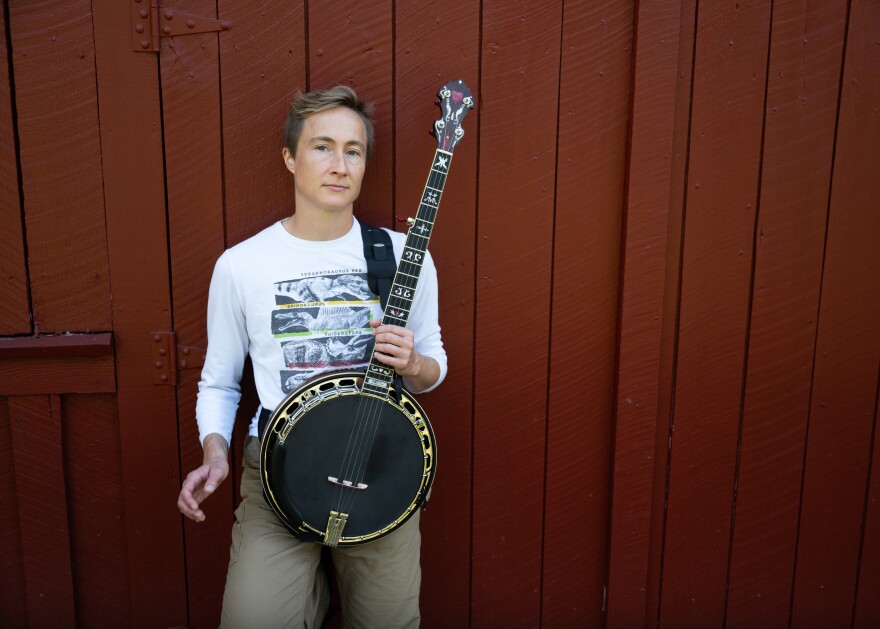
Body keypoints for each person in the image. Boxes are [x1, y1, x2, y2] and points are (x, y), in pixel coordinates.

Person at [177, 85, 447, 628]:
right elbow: (220, 381)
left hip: (379, 466)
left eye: (353, 150)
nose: (339, 164)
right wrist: (215, 454)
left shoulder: (399, 254)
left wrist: (412, 364)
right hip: (278, 470)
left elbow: (433, 366)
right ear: (290, 157)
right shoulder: (243, 265)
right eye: (322, 146)